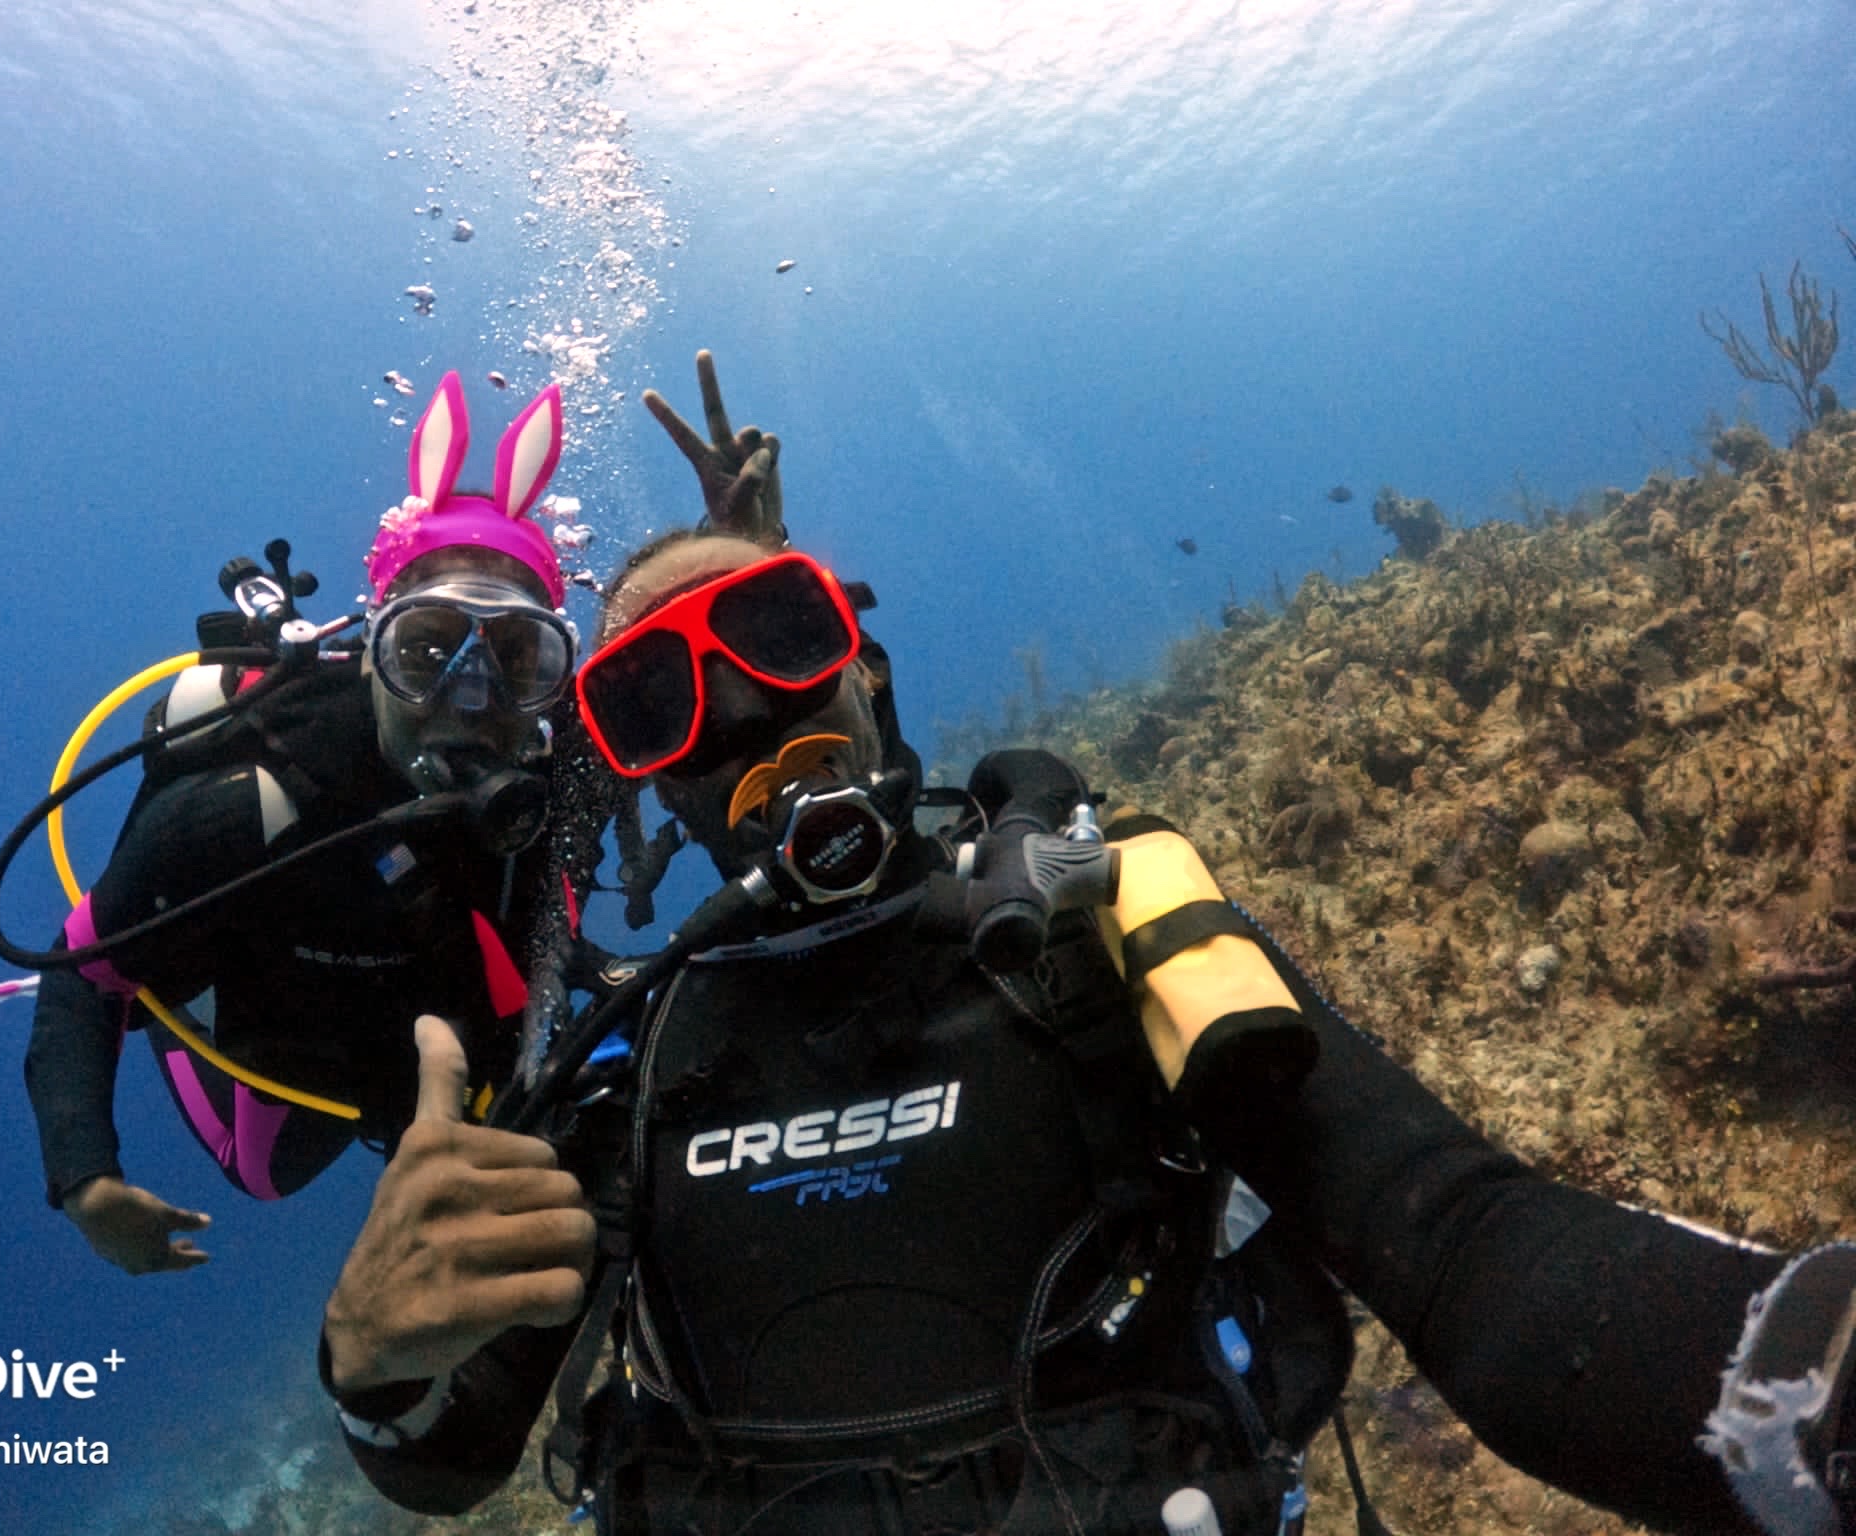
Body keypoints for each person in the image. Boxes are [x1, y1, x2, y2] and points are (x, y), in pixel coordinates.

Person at [315, 354, 1855, 1535]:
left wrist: (1814, 1400)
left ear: (863, 671)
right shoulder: (632, 1070)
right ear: (635, 772)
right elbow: (445, 1457)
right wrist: (370, 1359)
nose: (747, 714)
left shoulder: (1097, 924)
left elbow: (1465, 1245)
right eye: (656, 699)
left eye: (783, 637)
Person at [17, 370, 583, 1276]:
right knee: (266, 1173)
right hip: (294, 1056)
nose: (469, 701)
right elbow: (82, 975)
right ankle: (177, 996)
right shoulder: (253, 807)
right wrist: (84, 1180)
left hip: (452, 1048)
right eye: (427, 650)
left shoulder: (564, 783)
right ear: (367, 653)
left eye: (518, 660)